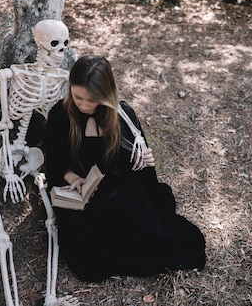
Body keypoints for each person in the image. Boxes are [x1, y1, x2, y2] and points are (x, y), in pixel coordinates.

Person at [45, 55, 206, 282]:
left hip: (113, 186)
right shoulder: (59, 115)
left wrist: (144, 161)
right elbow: (55, 162)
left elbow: (133, 170)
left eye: (91, 100)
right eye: (77, 96)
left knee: (138, 217)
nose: (83, 105)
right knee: (84, 240)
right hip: (77, 189)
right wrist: (73, 178)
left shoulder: (122, 115)